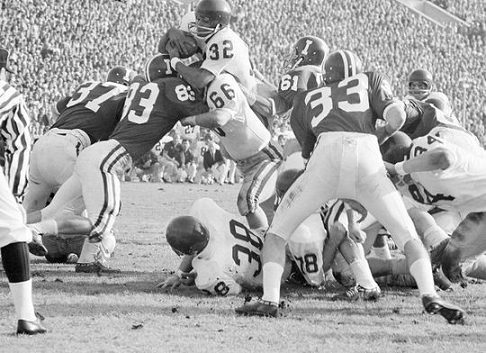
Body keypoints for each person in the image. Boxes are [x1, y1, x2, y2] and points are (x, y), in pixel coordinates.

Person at [234, 50, 465, 324]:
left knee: (276, 234)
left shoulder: (308, 97)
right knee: (408, 237)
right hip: (367, 153)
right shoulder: (370, 79)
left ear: (326, 74)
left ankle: (270, 300)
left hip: (326, 155)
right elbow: (396, 118)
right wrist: (382, 134)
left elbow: (307, 152)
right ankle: (429, 295)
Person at [32, 52, 209, 273]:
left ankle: (14, 228)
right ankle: (34, 230)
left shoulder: (136, 87)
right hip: (107, 158)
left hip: (89, 153)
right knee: (100, 223)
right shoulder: (169, 88)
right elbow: (206, 109)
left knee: (52, 211)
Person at [23, 66, 134, 257]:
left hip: (44, 143)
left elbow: (58, 108)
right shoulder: (126, 95)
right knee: (92, 213)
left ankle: (10, 238)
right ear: (127, 84)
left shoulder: (90, 86)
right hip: (72, 147)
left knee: (30, 207)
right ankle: (88, 256)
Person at [180, 72, 282, 229]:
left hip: (266, 156)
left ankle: (262, 245)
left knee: (248, 200)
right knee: (269, 215)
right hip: (246, 164)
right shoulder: (207, 100)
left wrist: (192, 120)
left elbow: (219, 118)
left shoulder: (221, 85)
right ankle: (269, 246)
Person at [382, 130, 486, 282]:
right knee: (452, 264)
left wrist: (398, 168)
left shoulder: (419, 155)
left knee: (453, 263)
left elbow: (444, 157)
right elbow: (418, 215)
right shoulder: (413, 183)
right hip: (480, 209)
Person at [0, 47, 46, 335]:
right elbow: (18, 148)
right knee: (14, 231)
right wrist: (15, 201)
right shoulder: (9, 94)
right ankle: (27, 317)